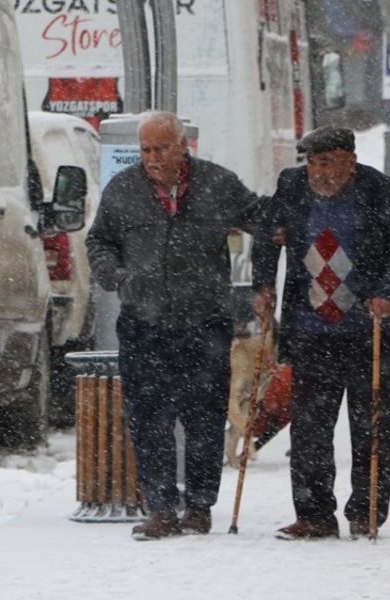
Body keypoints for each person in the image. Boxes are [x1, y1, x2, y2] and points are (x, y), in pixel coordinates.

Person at [86, 111, 266, 540]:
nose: (152, 158)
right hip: (144, 323)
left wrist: (259, 282)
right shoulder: (124, 189)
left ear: (183, 146)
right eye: (146, 149)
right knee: (149, 418)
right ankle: (162, 506)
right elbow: (99, 241)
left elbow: (264, 225)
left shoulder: (218, 185)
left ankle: (200, 506)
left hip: (205, 321)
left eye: (161, 148)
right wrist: (117, 277)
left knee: (203, 418)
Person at [253, 126, 390, 540]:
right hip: (311, 328)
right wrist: (263, 283)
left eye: (327, 162)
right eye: (312, 163)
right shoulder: (292, 186)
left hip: (368, 329)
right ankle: (314, 515)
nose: (319, 172)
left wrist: (387, 291)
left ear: (351, 159)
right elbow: (266, 231)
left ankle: (365, 510)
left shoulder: (387, 195)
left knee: (371, 426)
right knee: (310, 428)